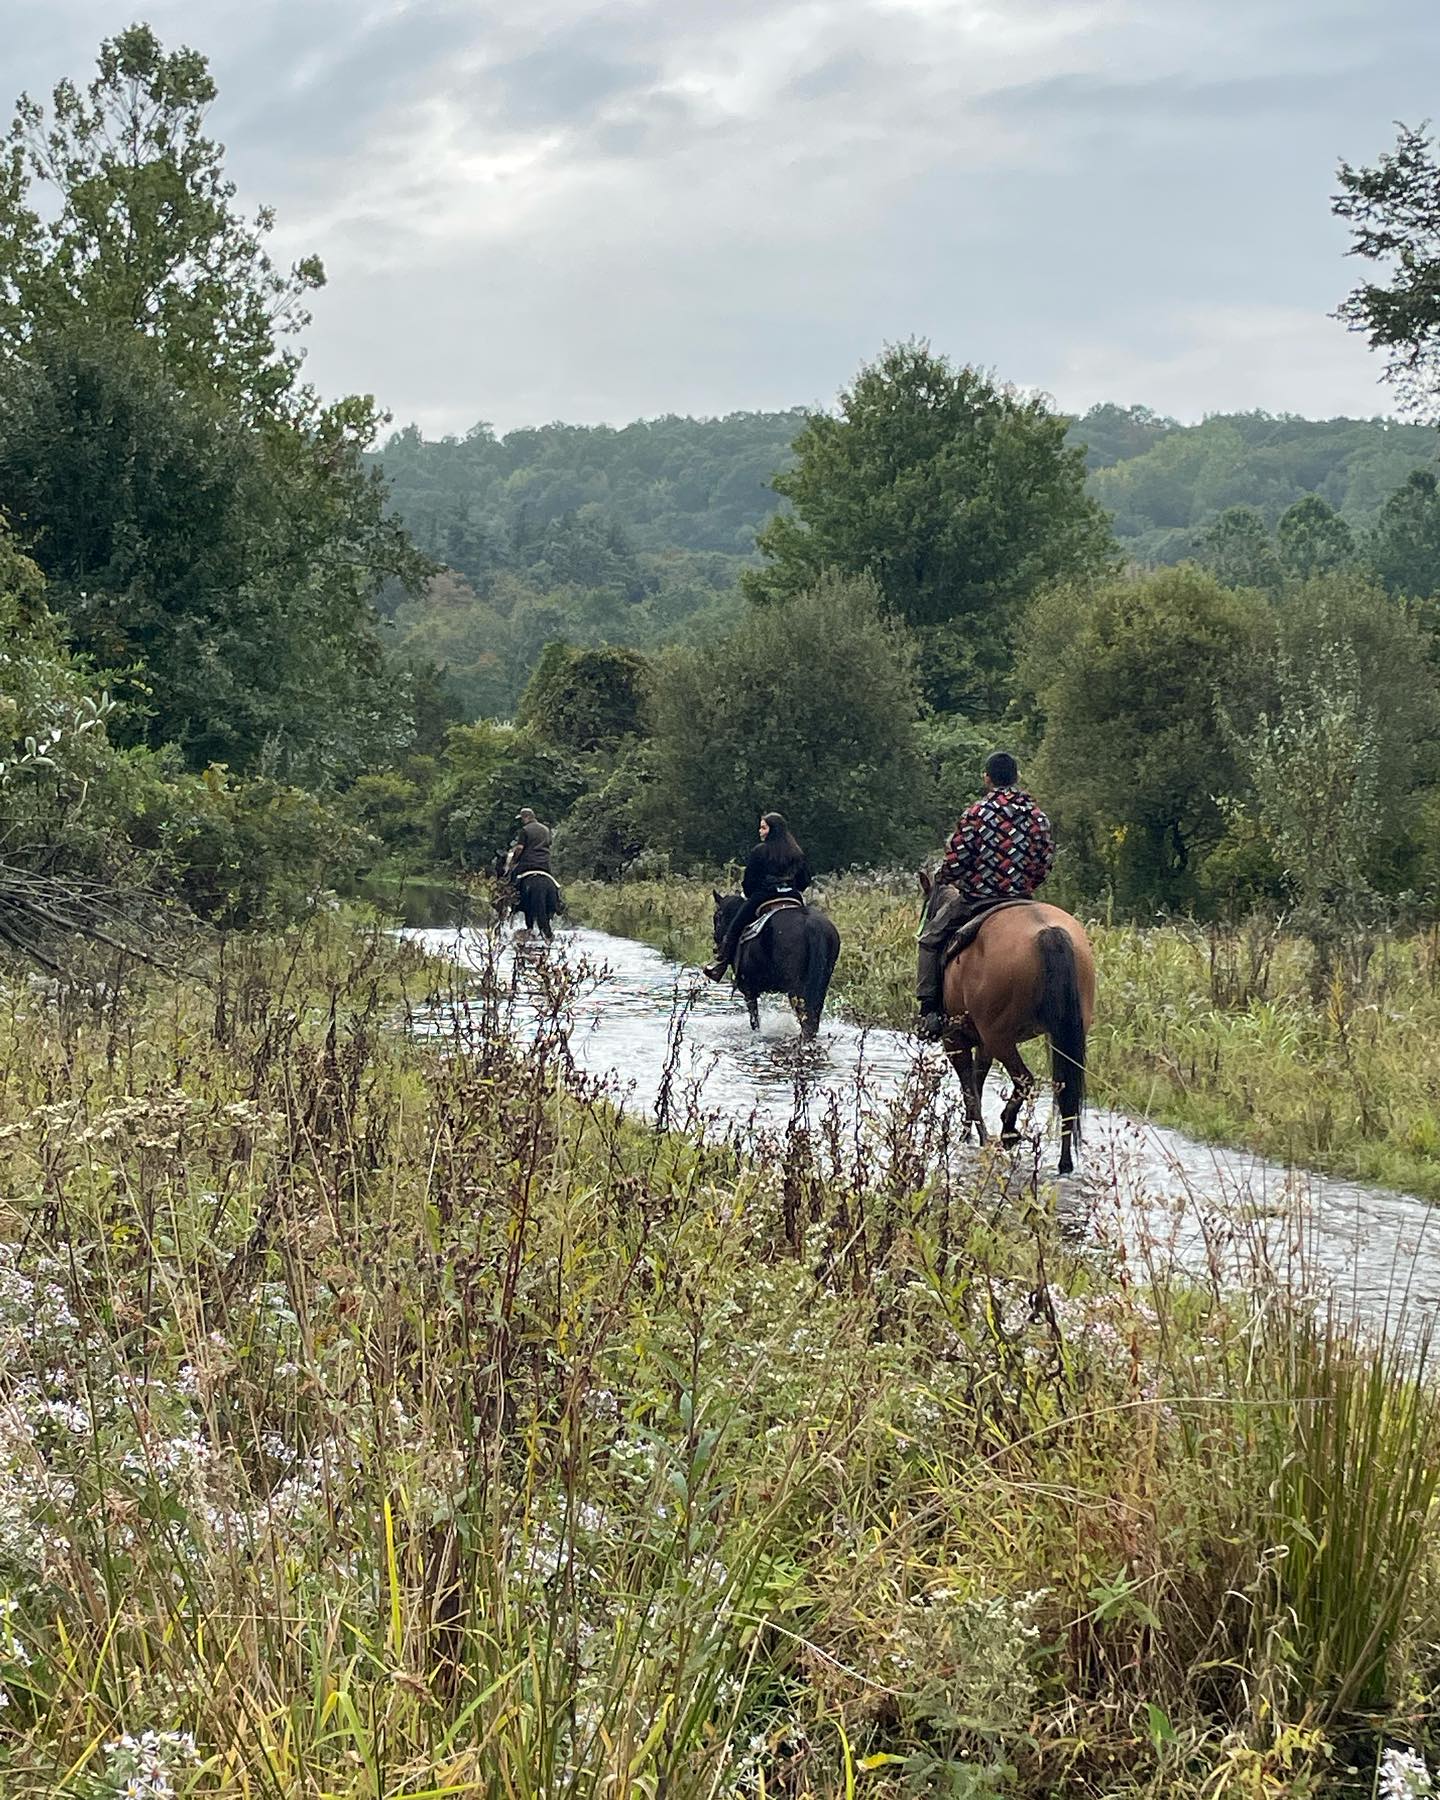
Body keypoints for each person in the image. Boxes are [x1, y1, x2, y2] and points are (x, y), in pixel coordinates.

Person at [915, 752, 1055, 1039]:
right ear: (1016, 777)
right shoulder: (1037, 816)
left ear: (987, 778)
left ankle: (929, 1013)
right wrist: (1025, 884)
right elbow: (1045, 862)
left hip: (978, 899)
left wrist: (944, 877)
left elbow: (957, 859)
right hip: (1021, 899)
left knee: (929, 939)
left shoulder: (977, 814)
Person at [702, 811, 811, 982]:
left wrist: (750, 893)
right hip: (792, 897)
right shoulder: (796, 852)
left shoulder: (760, 851)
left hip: (764, 896)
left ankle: (721, 964)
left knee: (735, 926)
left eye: (763, 828)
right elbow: (805, 880)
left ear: (772, 829)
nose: (760, 832)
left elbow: (749, 881)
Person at [505, 806, 553, 878]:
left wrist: (513, 861)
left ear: (526, 817)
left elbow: (520, 848)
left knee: (512, 877)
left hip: (528, 863)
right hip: (545, 864)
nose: (521, 821)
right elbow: (549, 844)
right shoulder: (546, 829)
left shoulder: (525, 830)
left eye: (522, 818)